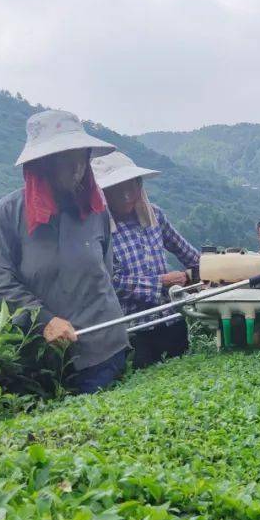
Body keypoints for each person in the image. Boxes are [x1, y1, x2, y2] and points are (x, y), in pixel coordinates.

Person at [0, 110, 128, 394]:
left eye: (82, 157)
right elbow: (0, 284)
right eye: (66, 157)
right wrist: (45, 320)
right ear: (42, 164)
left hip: (106, 350)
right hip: (44, 363)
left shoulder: (95, 211)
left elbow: (106, 272)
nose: (77, 168)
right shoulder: (5, 215)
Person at [91, 151, 201, 368]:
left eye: (131, 186)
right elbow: (110, 282)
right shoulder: (98, 229)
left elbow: (188, 254)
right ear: (103, 193)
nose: (126, 195)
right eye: (117, 189)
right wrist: (161, 282)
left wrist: (211, 270)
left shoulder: (154, 216)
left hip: (171, 319)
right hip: (133, 330)